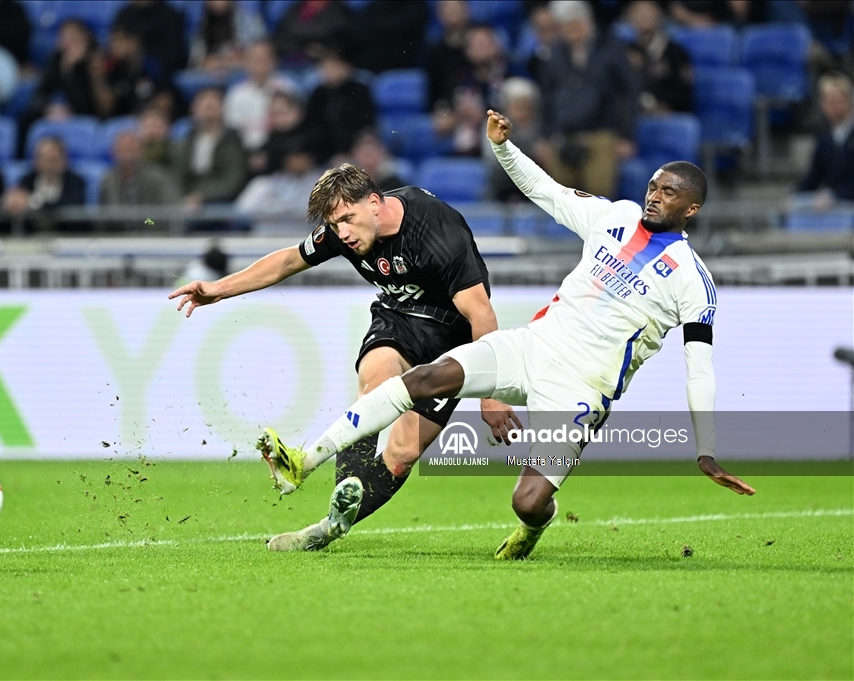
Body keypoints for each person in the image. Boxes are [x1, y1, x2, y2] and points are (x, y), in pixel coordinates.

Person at [260, 109, 756, 559]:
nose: (654, 195)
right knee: (426, 379)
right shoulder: (616, 217)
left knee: (528, 501)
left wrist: (705, 449)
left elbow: (700, 368)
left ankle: (536, 527)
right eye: (653, 185)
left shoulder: (694, 282)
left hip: (582, 387)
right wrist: (502, 148)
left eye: (668, 192)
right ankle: (306, 459)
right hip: (531, 347)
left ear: (691, 209)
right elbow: (547, 191)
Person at [170, 163, 515, 552]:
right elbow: (288, 260)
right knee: (376, 383)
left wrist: (492, 393)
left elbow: (481, 314)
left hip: (452, 336)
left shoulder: (437, 232)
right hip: (398, 320)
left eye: (348, 220)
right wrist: (219, 289)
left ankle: (329, 526)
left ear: (374, 203)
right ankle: (341, 491)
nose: (343, 234)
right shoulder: (344, 230)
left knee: (402, 454)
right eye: (335, 225)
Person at [539, 0, 639, 199]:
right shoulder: (556, 54)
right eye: (567, 26)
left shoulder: (611, 49)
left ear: (588, 22)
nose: (573, 30)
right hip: (563, 135)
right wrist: (545, 136)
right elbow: (547, 97)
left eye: (577, 24)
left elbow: (629, 93)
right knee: (561, 200)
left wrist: (627, 136)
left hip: (602, 134)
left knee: (599, 196)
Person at [170, 87, 248, 210]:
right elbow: (177, 175)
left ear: (222, 109)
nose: (209, 110)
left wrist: (201, 196)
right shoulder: (186, 141)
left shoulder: (232, 141)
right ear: (194, 110)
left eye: (213, 106)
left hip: (221, 199)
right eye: (205, 106)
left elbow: (233, 180)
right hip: (187, 198)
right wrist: (182, 197)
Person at [303, 45, 376, 163]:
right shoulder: (318, 94)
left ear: (347, 66)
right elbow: (313, 128)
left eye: (334, 65)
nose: (330, 70)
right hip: (325, 157)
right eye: (325, 66)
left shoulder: (360, 91)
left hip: (358, 153)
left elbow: (366, 125)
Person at [25, 20, 107, 125]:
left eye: (75, 38)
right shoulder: (57, 58)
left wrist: (69, 72)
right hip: (62, 113)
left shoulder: (96, 61)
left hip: (92, 117)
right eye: (65, 38)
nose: (69, 43)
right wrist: (48, 108)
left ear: (86, 38)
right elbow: (41, 92)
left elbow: (87, 106)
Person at [101, 130, 182, 232]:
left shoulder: (158, 177)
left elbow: (166, 213)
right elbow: (103, 217)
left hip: (152, 233)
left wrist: (144, 221)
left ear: (141, 151)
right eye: (123, 149)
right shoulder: (108, 180)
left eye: (131, 149)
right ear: (114, 153)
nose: (127, 154)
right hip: (118, 236)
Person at [2, 136, 86, 233]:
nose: (49, 165)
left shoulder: (76, 182)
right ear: (36, 160)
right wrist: (10, 202)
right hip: (32, 235)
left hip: (64, 234)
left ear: (65, 160)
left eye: (53, 159)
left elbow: (67, 210)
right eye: (44, 159)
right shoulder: (27, 180)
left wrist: (33, 203)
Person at [223, 40, 296, 153]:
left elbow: (294, 123)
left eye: (264, 59)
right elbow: (231, 127)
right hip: (244, 151)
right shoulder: (236, 94)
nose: (260, 63)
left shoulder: (286, 87)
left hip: (279, 149)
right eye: (256, 59)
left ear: (274, 61)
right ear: (246, 62)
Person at [235, 142, 322, 232]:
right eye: (293, 158)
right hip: (265, 235)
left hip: (302, 235)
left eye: (302, 157)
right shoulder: (264, 183)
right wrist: (280, 210)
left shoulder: (320, 183)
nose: (297, 162)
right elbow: (243, 209)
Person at [626, 0, 693, 115]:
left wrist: (656, 103)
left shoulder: (676, 52)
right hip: (633, 115)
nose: (643, 15)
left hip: (668, 116)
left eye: (649, 11)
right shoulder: (624, 52)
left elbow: (683, 92)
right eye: (637, 11)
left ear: (660, 15)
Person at [796, 72, 854, 204]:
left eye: (836, 100)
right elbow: (815, 174)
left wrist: (837, 196)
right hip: (836, 204)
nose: (832, 106)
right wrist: (796, 195)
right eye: (827, 100)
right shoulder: (825, 137)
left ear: (848, 100)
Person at [188, 0, 267, 73]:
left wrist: (227, 62)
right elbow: (196, 58)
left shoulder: (247, 19)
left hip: (242, 71)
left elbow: (258, 53)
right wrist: (207, 62)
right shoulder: (200, 22)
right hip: (209, 73)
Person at [350, 0, 429, 73]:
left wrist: (373, 29)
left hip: (399, 61)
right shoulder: (376, 6)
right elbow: (359, 30)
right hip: (367, 57)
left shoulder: (416, 6)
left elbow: (397, 29)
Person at [112, 0, 189, 75]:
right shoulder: (124, 15)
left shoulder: (170, 16)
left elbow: (174, 57)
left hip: (161, 76)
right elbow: (114, 46)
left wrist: (142, 60)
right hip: (123, 73)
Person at [426, 0, 471, 111]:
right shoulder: (434, 52)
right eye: (448, 8)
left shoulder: (477, 43)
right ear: (439, 14)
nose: (453, 11)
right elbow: (434, 91)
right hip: (449, 108)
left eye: (457, 8)